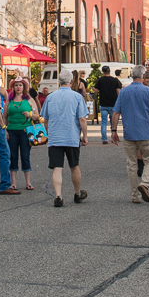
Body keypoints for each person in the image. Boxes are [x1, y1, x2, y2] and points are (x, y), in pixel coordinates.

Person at [116, 65, 149, 204]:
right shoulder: (148, 92)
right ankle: (145, 183)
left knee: (131, 164)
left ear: (131, 75)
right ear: (143, 77)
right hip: (145, 131)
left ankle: (135, 195)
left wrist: (113, 131)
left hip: (129, 132)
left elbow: (116, 112)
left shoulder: (124, 92)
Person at [41, 74, 89, 207]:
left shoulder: (50, 97)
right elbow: (82, 119)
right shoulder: (77, 97)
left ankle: (58, 195)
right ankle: (77, 193)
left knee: (57, 167)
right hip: (72, 136)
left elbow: (45, 118)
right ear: (71, 81)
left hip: (55, 137)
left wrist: (48, 132)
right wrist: (84, 135)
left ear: (59, 81)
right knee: (74, 165)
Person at [4, 76, 37, 190]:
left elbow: (38, 116)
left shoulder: (29, 100)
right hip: (12, 130)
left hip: (25, 131)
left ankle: (28, 182)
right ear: (13, 87)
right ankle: (13, 183)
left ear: (24, 87)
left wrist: (30, 115)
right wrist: (5, 129)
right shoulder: (9, 100)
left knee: (25, 155)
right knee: (12, 156)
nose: (18, 87)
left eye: (20, 85)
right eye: (16, 85)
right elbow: (5, 117)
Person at [96, 68, 123, 142]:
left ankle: (104, 138)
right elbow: (118, 91)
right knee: (113, 122)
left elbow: (95, 90)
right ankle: (113, 137)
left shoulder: (100, 80)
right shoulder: (115, 80)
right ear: (109, 72)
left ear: (103, 72)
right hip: (113, 104)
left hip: (103, 103)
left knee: (104, 122)